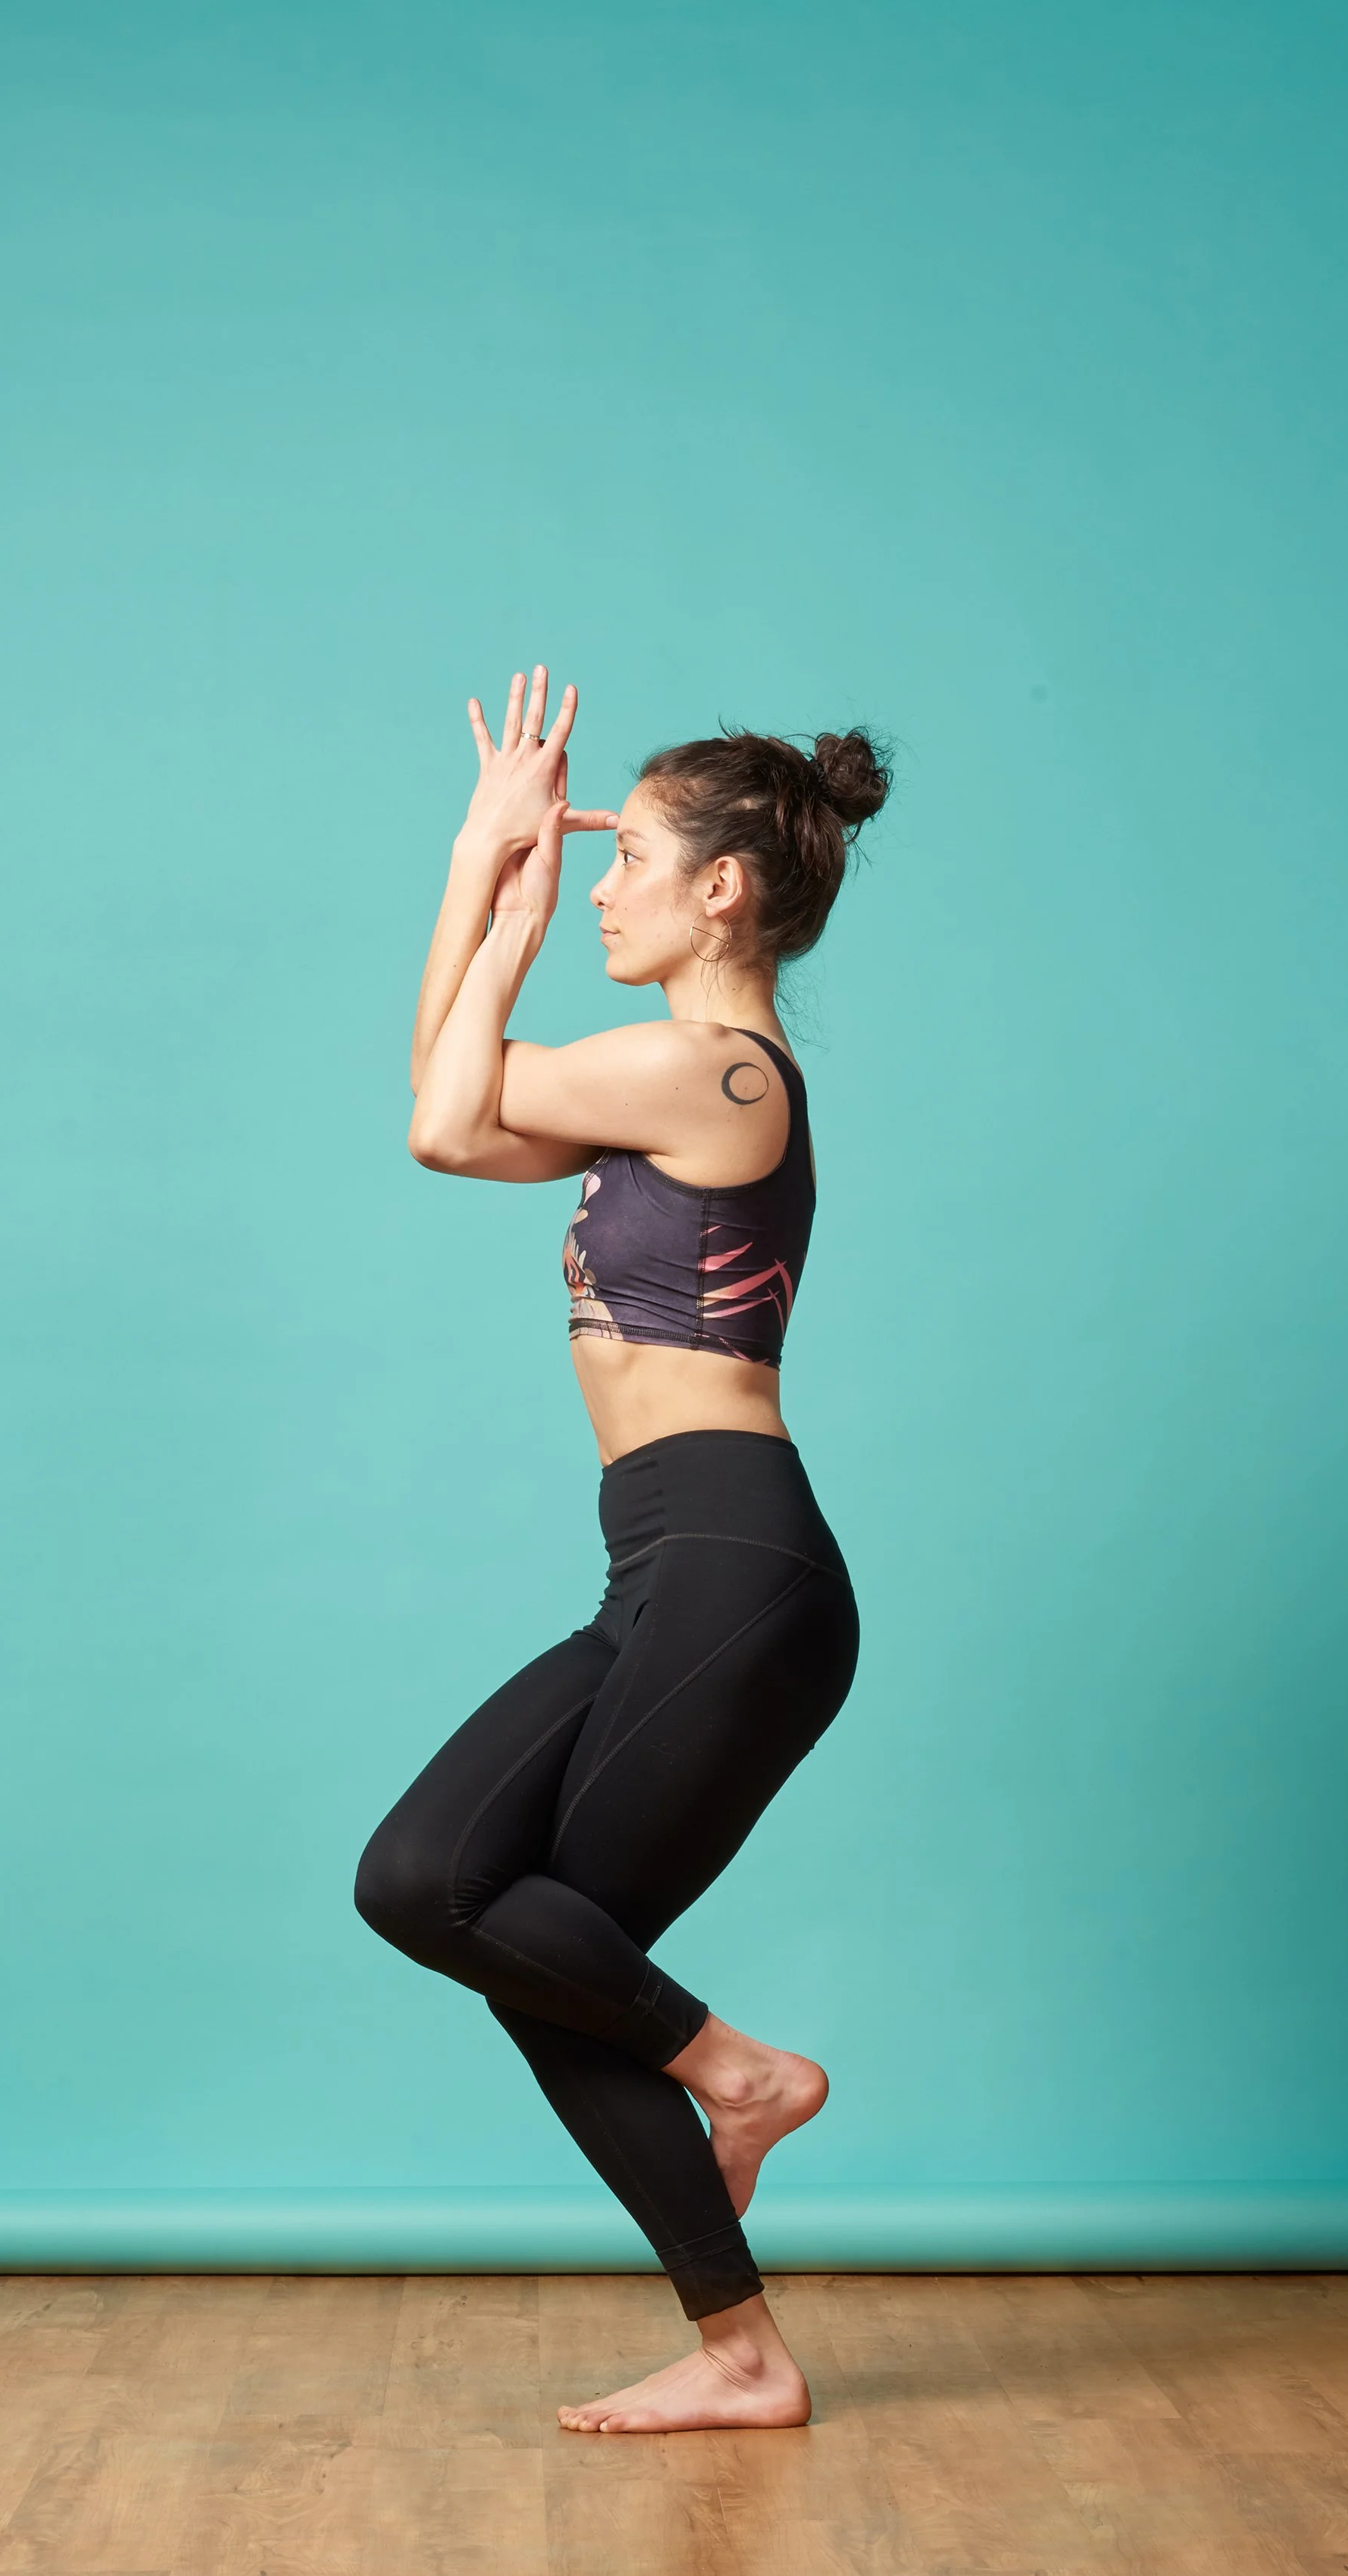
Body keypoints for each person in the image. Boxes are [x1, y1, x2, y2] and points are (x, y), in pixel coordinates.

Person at [355, 666, 889, 2433]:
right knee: (476, 1903)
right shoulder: (670, 1073)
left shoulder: (708, 1062)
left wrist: (491, 887)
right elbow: (445, 1118)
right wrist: (476, 872)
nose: (598, 883)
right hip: (661, 1568)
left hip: (738, 1571)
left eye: (626, 854)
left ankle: (740, 2152)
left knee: (543, 1941)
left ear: (721, 886)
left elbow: (446, 1111)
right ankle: (738, 2298)